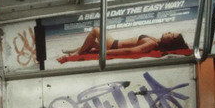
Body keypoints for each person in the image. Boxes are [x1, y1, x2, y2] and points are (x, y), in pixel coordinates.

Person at [58, 27, 189, 63]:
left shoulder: (151, 43)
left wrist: (106, 52)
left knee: (95, 31)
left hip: (113, 46)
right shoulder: (156, 41)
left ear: (169, 41)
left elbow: (131, 52)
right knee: (91, 43)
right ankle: (74, 52)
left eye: (170, 34)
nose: (168, 32)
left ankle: (76, 54)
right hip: (114, 43)